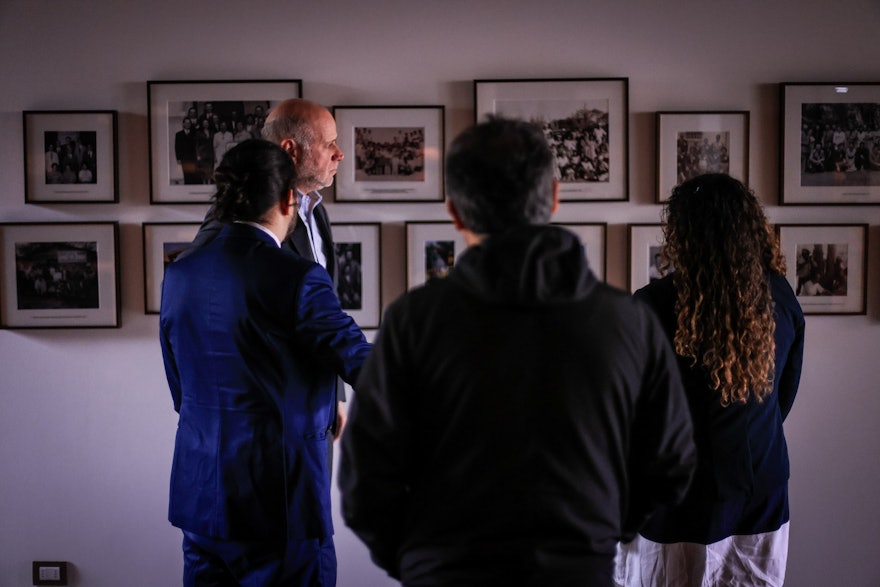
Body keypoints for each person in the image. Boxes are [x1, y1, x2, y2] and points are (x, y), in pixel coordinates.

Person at [338, 116, 696, 587]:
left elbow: (365, 483)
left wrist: (420, 560)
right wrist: (599, 528)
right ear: (553, 197)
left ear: (456, 213)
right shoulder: (628, 322)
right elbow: (671, 463)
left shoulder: (414, 320)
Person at [159, 139, 371, 587]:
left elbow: (180, 386)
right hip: (280, 503)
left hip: (201, 498)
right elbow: (362, 363)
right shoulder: (297, 277)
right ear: (288, 199)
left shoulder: (180, 273)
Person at [615, 173, 805, 587]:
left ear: (683, 235)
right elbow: (783, 397)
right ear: (750, 228)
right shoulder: (781, 298)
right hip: (758, 486)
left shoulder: (651, 305)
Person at [181, 97, 347, 448]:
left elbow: (325, 319)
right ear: (291, 149)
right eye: (329, 143)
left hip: (317, 412)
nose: (339, 153)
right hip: (265, 427)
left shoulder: (316, 209)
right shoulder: (232, 222)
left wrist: (336, 396)